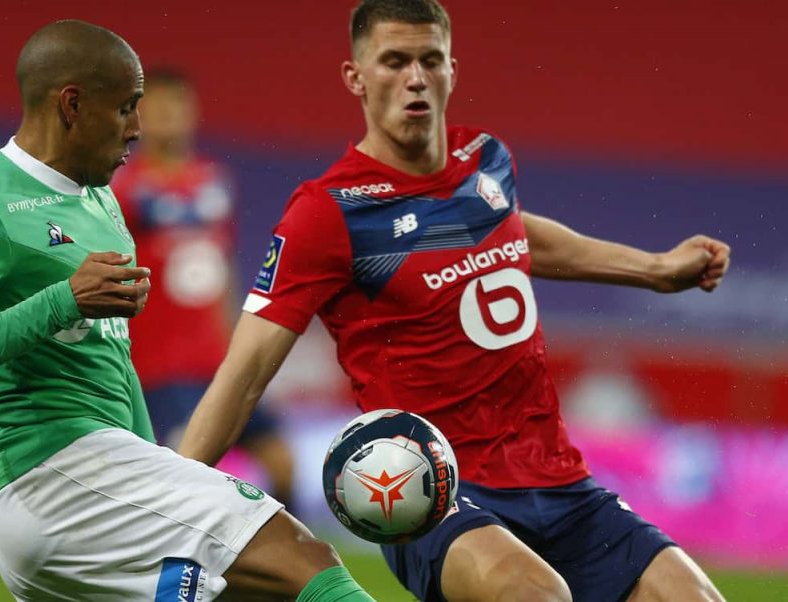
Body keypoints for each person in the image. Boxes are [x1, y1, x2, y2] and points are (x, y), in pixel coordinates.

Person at [177, 1, 730, 601]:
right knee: (535, 595)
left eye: (429, 60)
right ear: (355, 77)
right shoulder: (328, 213)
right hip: (432, 489)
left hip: (558, 478)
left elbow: (514, 234)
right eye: (394, 61)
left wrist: (654, 269)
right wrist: (170, 507)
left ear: (451, 70)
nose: (415, 77)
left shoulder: (485, 161)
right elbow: (245, 374)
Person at [0, 19, 374, 602]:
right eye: (126, 107)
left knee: (253, 591)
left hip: (98, 481)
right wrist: (63, 299)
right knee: (306, 560)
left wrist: (163, 467)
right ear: (72, 104)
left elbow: (116, 367)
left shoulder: (101, 202)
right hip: (52, 476)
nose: (137, 127)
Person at [111, 68, 296, 508]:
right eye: (157, 108)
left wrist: (236, 341)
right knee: (186, 476)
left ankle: (286, 546)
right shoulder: (125, 189)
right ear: (138, 116)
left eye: (177, 106)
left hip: (216, 361)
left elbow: (222, 268)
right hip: (160, 369)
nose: (168, 117)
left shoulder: (213, 182)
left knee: (283, 463)